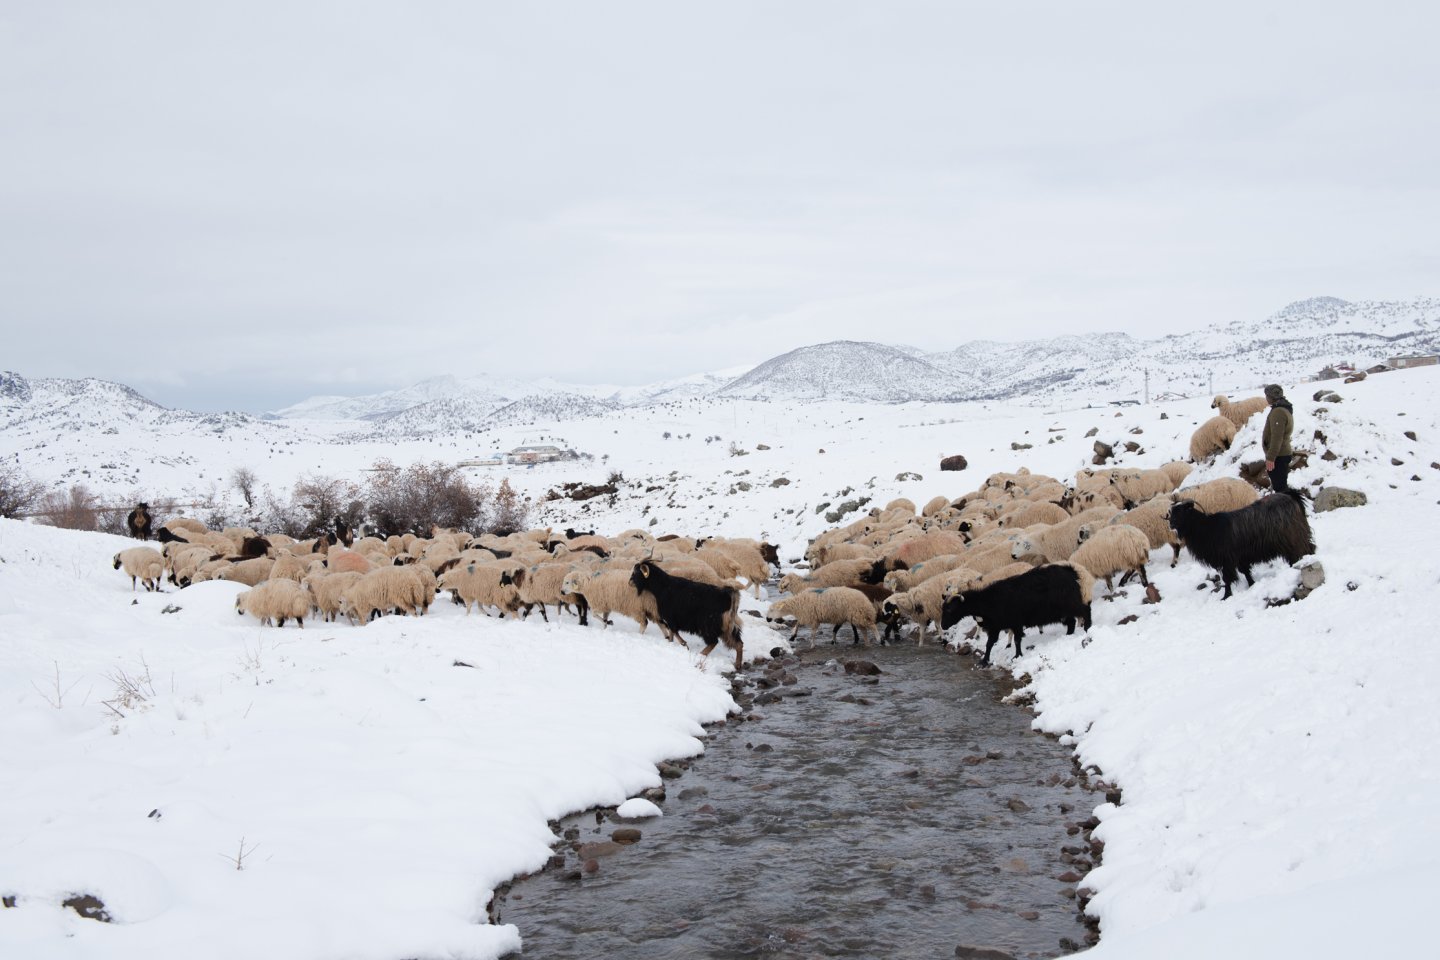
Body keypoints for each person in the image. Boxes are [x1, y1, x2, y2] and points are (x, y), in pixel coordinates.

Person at [1261, 384, 1294, 494]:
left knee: (1280, 488)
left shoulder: (1278, 412)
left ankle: (1288, 508)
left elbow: (1277, 437)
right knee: (1280, 485)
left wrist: (1271, 457)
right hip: (1280, 454)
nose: (1266, 398)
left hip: (1279, 455)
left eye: (1267, 395)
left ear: (1271, 397)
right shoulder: (1282, 408)